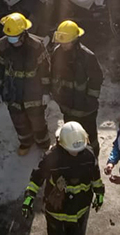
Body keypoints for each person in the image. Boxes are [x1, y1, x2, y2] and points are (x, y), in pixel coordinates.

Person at [21, 121, 105, 235]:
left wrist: (99, 192)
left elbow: (95, 176)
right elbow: (37, 177)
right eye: (72, 150)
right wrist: (29, 196)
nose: (76, 153)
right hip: (56, 212)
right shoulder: (51, 158)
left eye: (79, 149)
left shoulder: (89, 156)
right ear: (62, 144)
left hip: (80, 209)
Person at [0, 12, 51, 155]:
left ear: (23, 33)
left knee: (37, 119)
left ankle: (43, 143)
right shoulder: (2, 46)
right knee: (18, 119)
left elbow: (45, 70)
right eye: (10, 37)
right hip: (12, 90)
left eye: (15, 37)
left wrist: (46, 92)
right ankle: (25, 142)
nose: (12, 41)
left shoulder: (36, 46)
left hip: (33, 90)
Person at [50, 20, 104, 157]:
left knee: (90, 135)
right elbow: (54, 75)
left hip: (86, 108)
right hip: (67, 105)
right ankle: (74, 158)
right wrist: (56, 94)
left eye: (66, 42)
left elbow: (96, 78)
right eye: (61, 42)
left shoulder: (87, 57)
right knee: (72, 134)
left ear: (75, 40)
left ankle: (93, 157)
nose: (63, 45)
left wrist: (90, 99)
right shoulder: (57, 53)